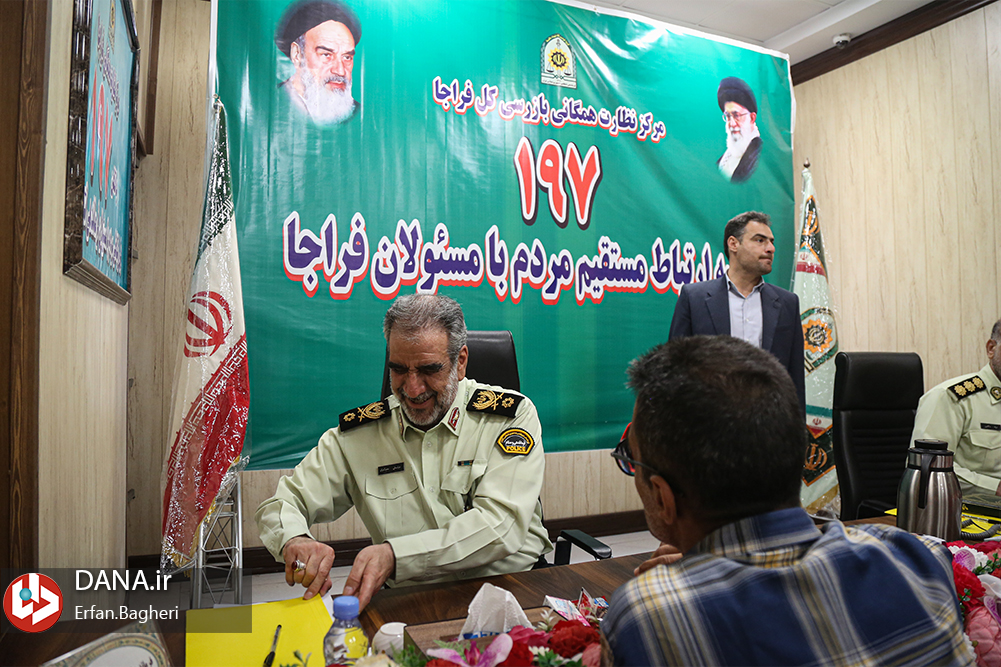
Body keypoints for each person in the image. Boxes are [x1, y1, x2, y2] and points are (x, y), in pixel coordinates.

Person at [601, 336, 970, 666]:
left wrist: (705, 569)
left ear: (662, 497)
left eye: (632, 460)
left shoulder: (648, 617)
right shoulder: (916, 560)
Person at [255, 294, 552, 610]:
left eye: (429, 370)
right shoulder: (361, 435)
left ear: (461, 362)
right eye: (398, 369)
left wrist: (396, 556)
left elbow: (500, 525)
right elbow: (282, 503)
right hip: (409, 600)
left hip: (513, 590)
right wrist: (295, 539)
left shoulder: (509, 418)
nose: (412, 388)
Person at [668, 211, 805, 414]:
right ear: (733, 244)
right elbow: (676, 368)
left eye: (771, 242)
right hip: (709, 421)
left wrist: (796, 429)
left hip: (769, 422)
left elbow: (795, 376)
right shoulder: (694, 298)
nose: (771, 248)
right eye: (760, 240)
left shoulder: (787, 303)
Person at [912, 318, 1001, 496]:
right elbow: (929, 466)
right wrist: (995, 488)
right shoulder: (950, 396)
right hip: (965, 507)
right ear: (991, 349)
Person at [274, 0, 360, 125]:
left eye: (347, 57)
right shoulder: (269, 104)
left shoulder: (359, 114)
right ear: (297, 55)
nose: (340, 71)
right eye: (326, 55)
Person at [716, 76, 761, 183]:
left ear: (752, 118)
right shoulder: (725, 157)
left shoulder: (760, 154)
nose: (732, 123)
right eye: (728, 116)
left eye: (736, 115)